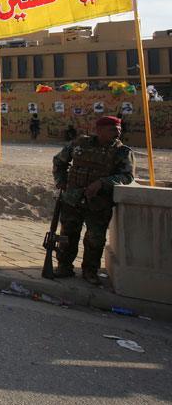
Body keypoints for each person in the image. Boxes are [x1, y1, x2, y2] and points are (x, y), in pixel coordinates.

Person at [51, 115, 135, 284]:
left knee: (95, 239)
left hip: (98, 202)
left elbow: (127, 176)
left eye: (119, 129)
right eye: (112, 129)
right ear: (99, 130)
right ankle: (64, 266)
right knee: (67, 234)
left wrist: (102, 183)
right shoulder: (78, 144)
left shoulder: (122, 152)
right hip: (72, 199)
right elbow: (59, 161)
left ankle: (90, 271)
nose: (117, 132)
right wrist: (61, 181)